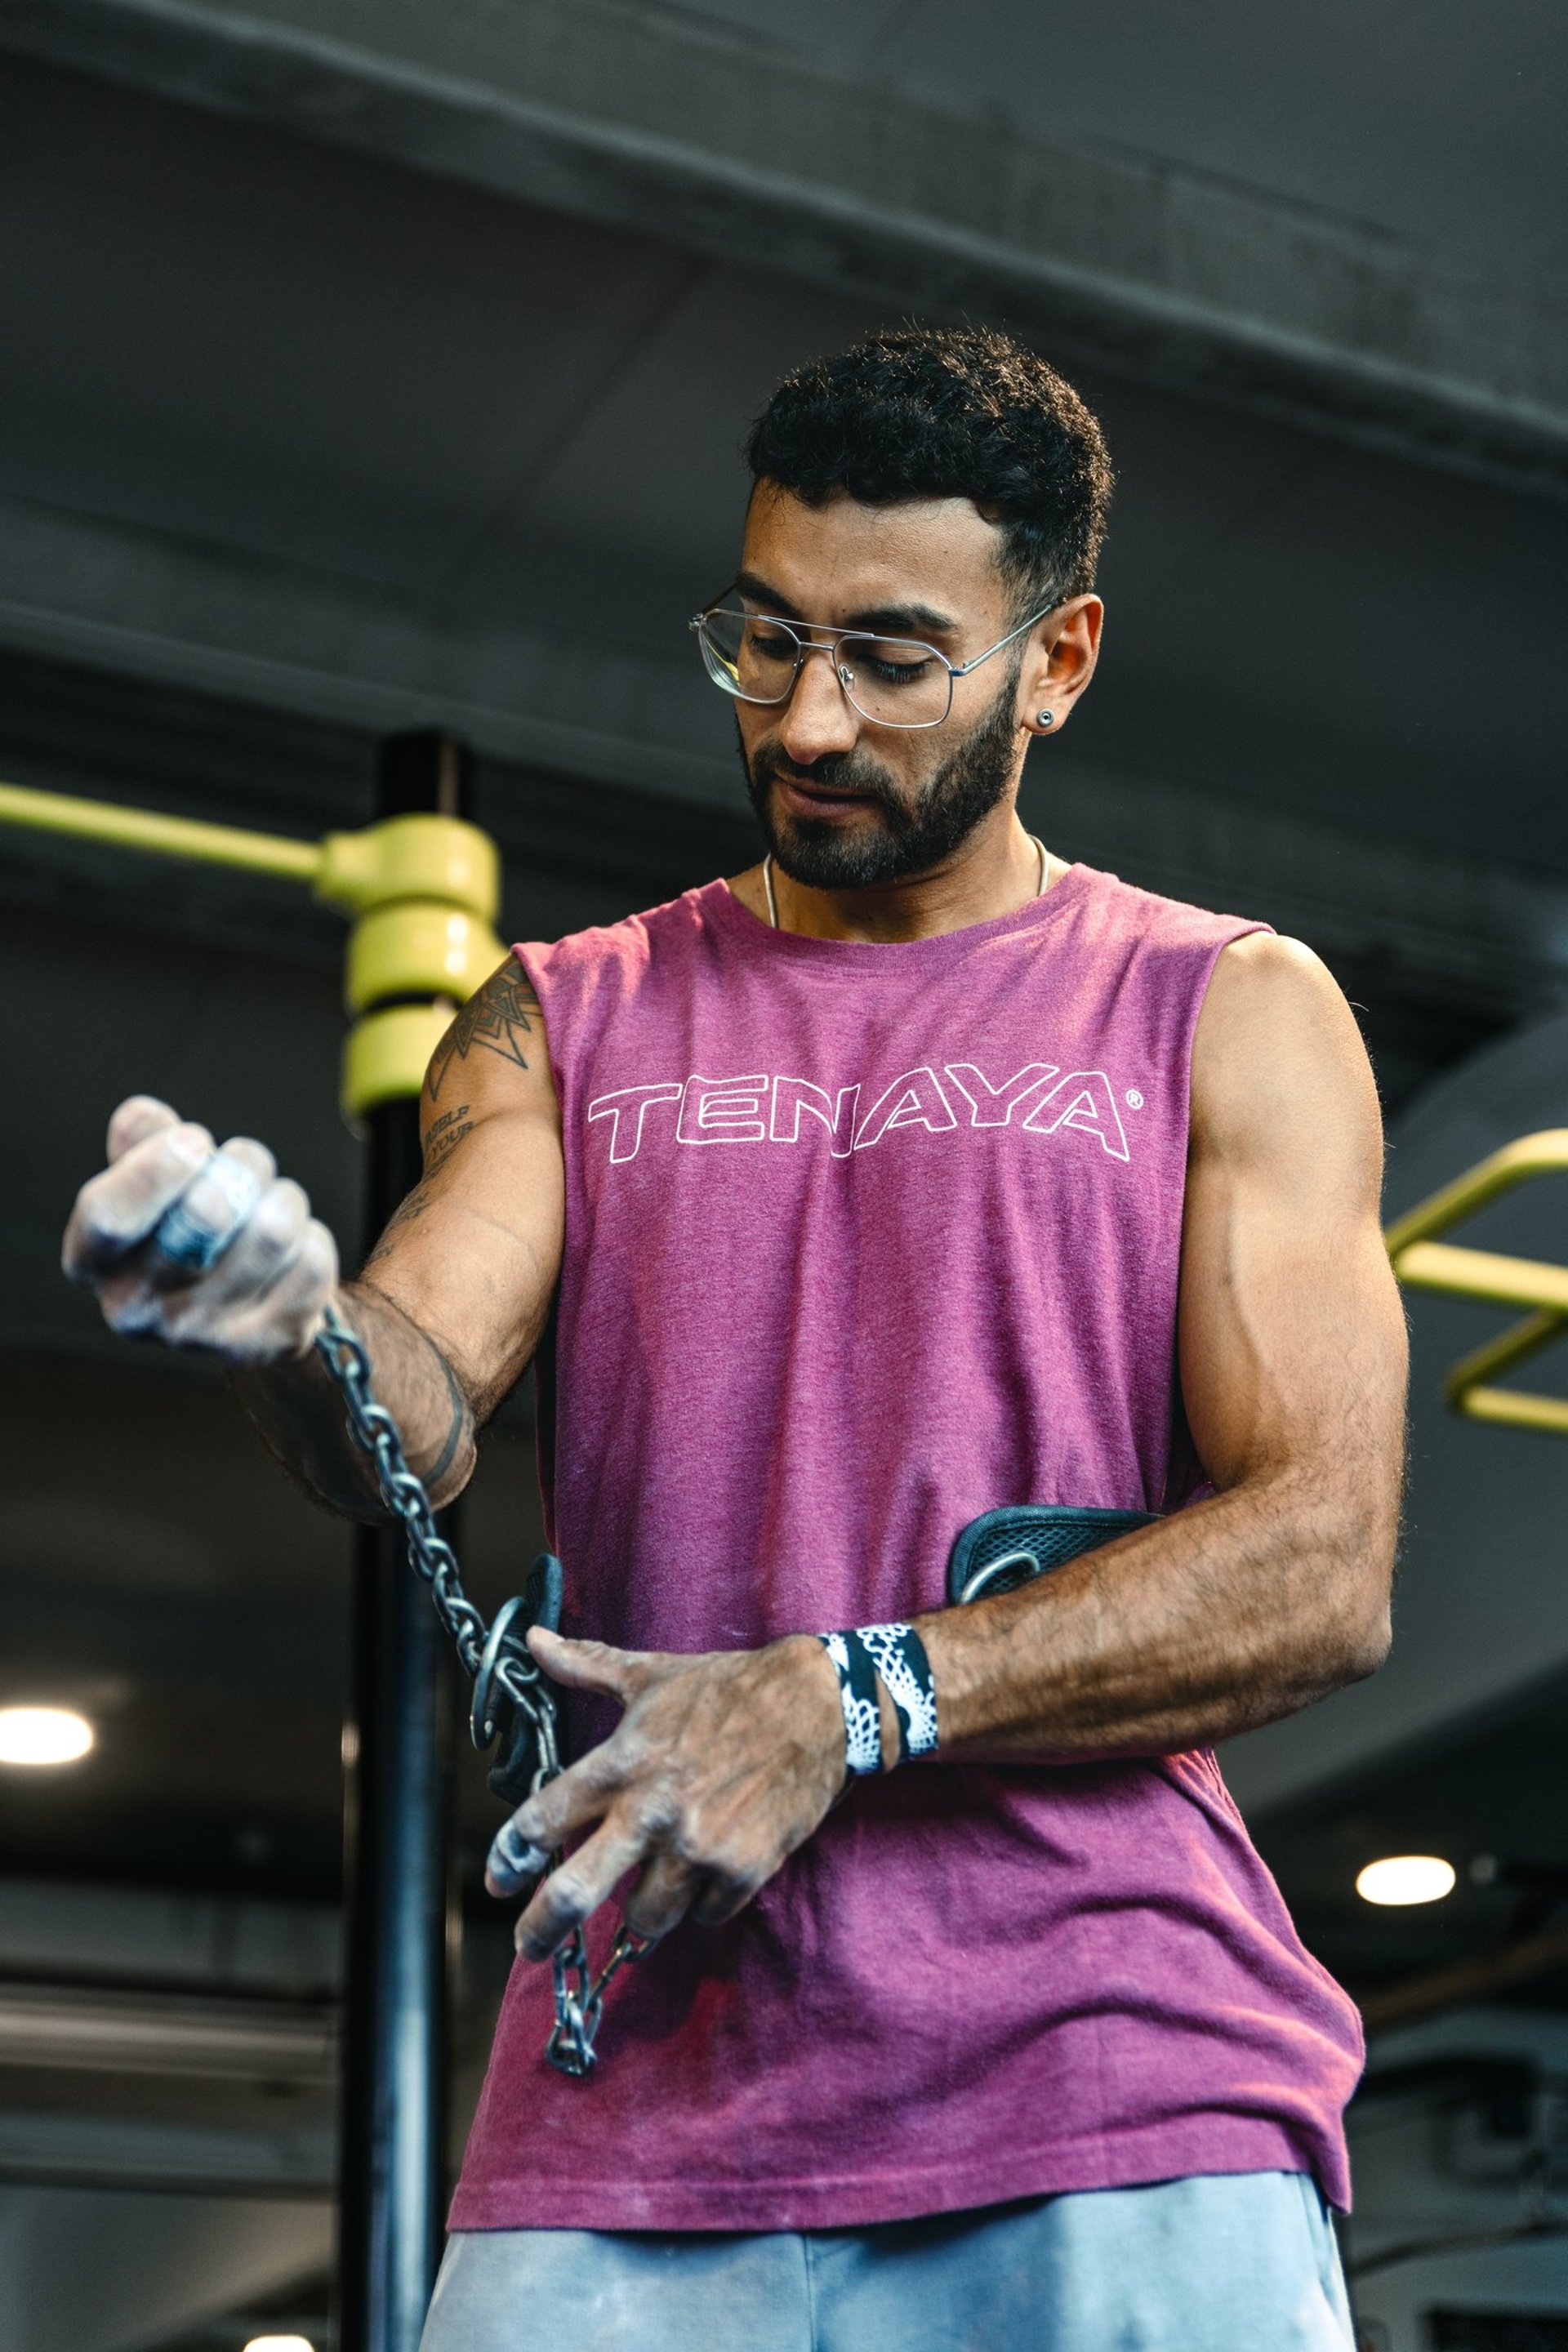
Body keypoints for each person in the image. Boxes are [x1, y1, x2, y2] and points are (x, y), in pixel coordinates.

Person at [64, 326, 1405, 2351]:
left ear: (1056, 661)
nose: (810, 720)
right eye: (767, 638)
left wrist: (848, 1699)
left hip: (1118, 2084)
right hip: (632, 2104)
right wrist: (286, 1323)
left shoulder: (1223, 1011)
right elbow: (412, 1387)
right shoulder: (564, 1018)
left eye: (893, 657)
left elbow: (1322, 1561)